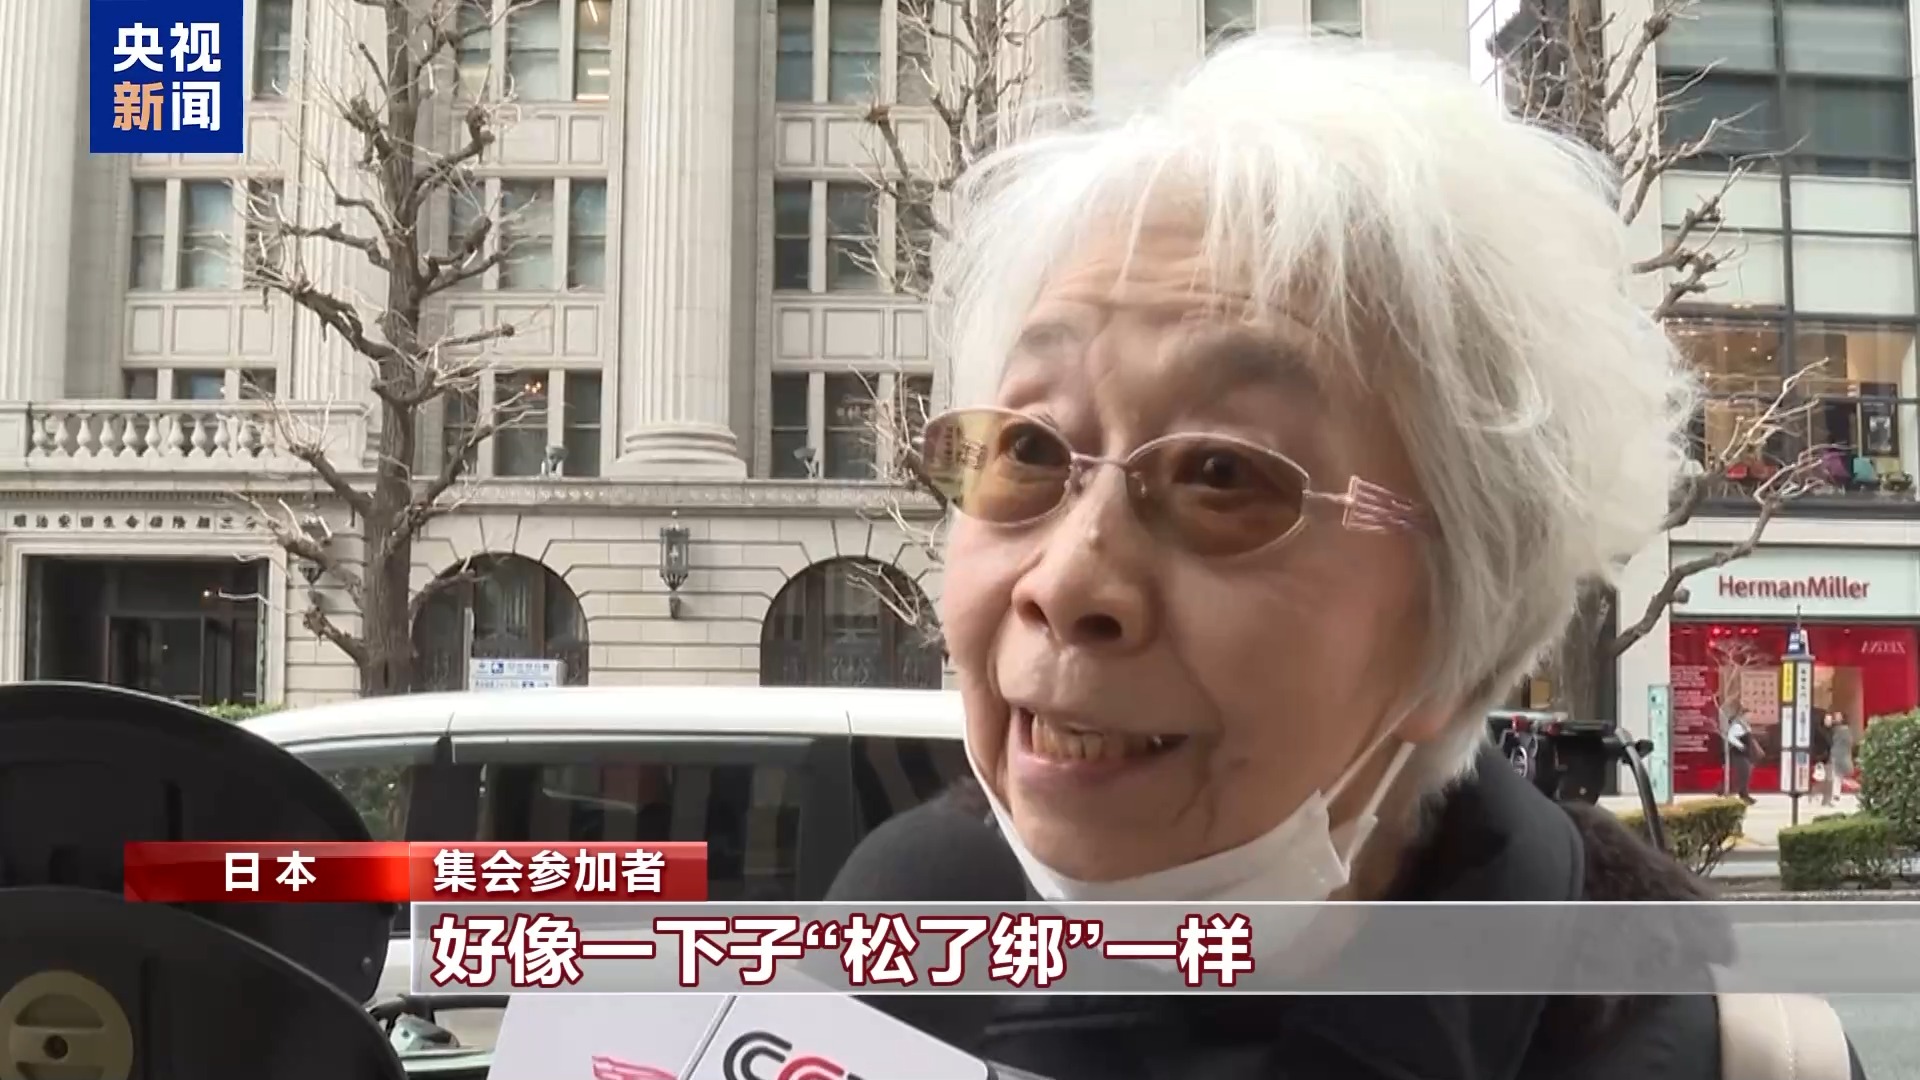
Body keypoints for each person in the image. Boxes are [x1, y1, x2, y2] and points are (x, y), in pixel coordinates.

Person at [827, 33, 1868, 1080]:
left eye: (1223, 474)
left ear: (1458, 628)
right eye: (1029, 450)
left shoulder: (1697, 1057)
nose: (1065, 584)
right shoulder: (893, 945)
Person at [1725, 710, 1756, 805]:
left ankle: (1744, 794)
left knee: (1745, 776)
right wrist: (1741, 746)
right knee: (1743, 776)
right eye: (1748, 715)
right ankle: (1743, 796)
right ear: (1742, 715)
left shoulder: (1745, 725)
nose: (1750, 717)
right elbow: (1730, 737)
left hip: (1746, 754)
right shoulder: (1737, 726)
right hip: (1740, 755)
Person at [1827, 712, 1856, 806]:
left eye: (1838, 717)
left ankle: (1836, 796)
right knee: (1837, 777)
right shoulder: (1836, 730)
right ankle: (1835, 796)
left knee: (1838, 777)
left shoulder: (1842, 730)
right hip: (1837, 755)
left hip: (1840, 756)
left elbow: (1849, 743)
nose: (1836, 718)